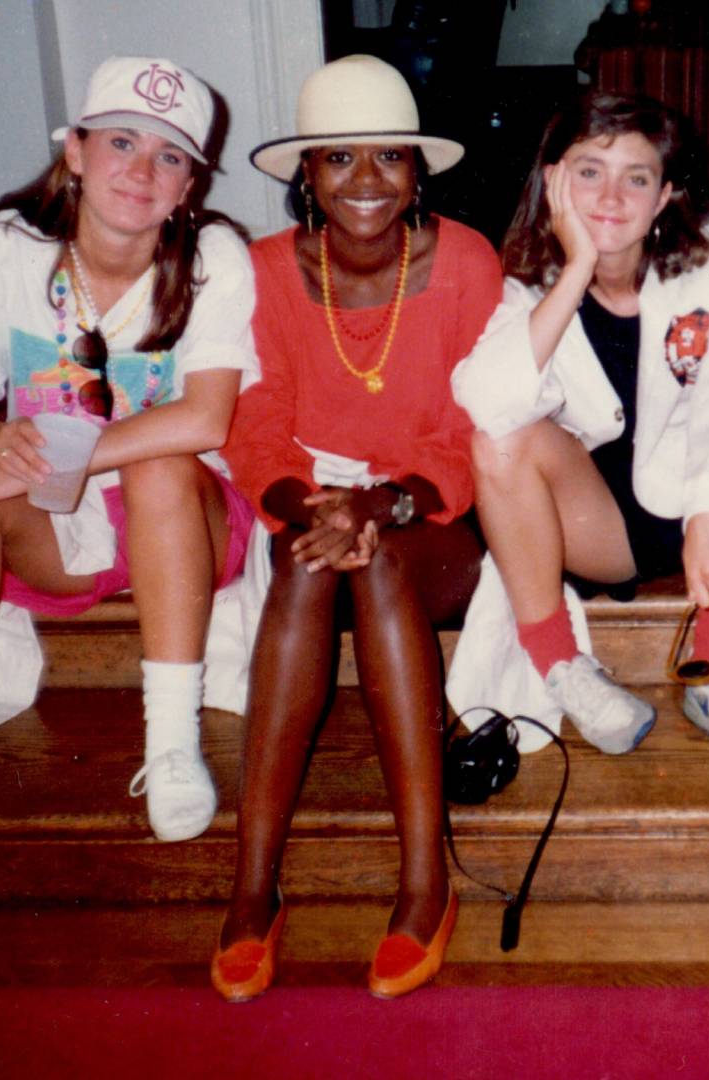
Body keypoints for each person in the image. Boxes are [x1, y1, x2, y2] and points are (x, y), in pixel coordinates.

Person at [0, 57, 260, 846]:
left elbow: (206, 420)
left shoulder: (213, 259)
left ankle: (171, 745)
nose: (141, 171)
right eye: (121, 143)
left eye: (169, 157)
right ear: (73, 151)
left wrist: (65, 457)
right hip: (56, 526)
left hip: (184, 530)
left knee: (161, 463)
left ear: (188, 187)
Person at [212, 55, 501, 1002]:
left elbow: (472, 428)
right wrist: (313, 509)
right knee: (305, 567)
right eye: (339, 158)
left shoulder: (464, 262)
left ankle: (425, 881)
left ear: (420, 172)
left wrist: (382, 507)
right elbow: (256, 423)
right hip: (312, 505)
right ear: (307, 174)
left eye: (389, 159)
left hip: (434, 515)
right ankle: (253, 884)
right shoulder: (262, 271)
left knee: (373, 572)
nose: (366, 182)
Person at [447, 92, 709, 766]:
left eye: (635, 177)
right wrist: (576, 269)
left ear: (665, 195)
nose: (610, 196)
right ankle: (561, 666)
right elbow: (488, 404)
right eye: (588, 171)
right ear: (552, 180)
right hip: (598, 522)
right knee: (496, 440)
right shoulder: (526, 280)